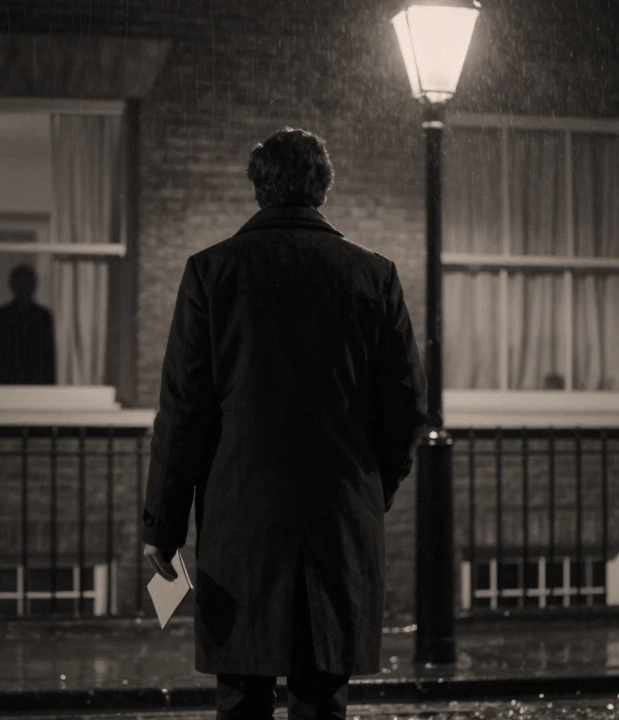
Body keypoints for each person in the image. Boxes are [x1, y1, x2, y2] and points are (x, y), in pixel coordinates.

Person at [141, 127, 429, 719]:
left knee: (242, 694)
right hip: (337, 516)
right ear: (322, 187)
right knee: (322, 694)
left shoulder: (211, 273)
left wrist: (163, 528)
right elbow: (405, 408)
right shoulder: (373, 277)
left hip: (240, 516)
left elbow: (184, 411)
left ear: (258, 187)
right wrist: (371, 487)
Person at [0, 263, 56, 385]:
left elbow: (48, 358)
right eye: (20, 283)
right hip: (5, 383)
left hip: (36, 384)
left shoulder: (43, 317)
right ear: (12, 285)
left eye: (27, 283)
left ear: (34, 286)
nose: (24, 288)